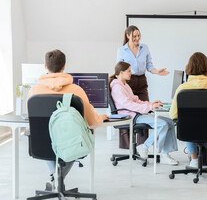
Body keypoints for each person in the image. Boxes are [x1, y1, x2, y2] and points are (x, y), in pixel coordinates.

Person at [27, 49, 108, 190]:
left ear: (45, 66)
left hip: (42, 143)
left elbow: (32, 120)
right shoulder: (76, 90)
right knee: (77, 134)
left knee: (45, 134)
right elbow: (91, 121)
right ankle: (60, 177)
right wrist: (100, 118)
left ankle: (54, 175)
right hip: (70, 143)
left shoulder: (34, 91)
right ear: (64, 66)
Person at [110, 61, 179, 165]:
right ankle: (145, 146)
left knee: (169, 122)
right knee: (162, 124)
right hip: (131, 116)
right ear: (121, 72)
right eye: (129, 71)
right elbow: (129, 105)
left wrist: (151, 103)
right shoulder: (117, 88)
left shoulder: (124, 85)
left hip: (136, 113)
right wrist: (150, 107)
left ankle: (165, 154)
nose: (131, 73)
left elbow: (135, 100)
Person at [116, 25, 169, 148]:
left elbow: (150, 65)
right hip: (128, 81)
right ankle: (127, 146)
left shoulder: (144, 48)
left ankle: (143, 145)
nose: (137, 38)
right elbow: (119, 69)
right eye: (134, 36)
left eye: (138, 35)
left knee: (145, 110)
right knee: (127, 110)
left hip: (141, 80)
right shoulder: (122, 50)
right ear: (128, 36)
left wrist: (158, 72)